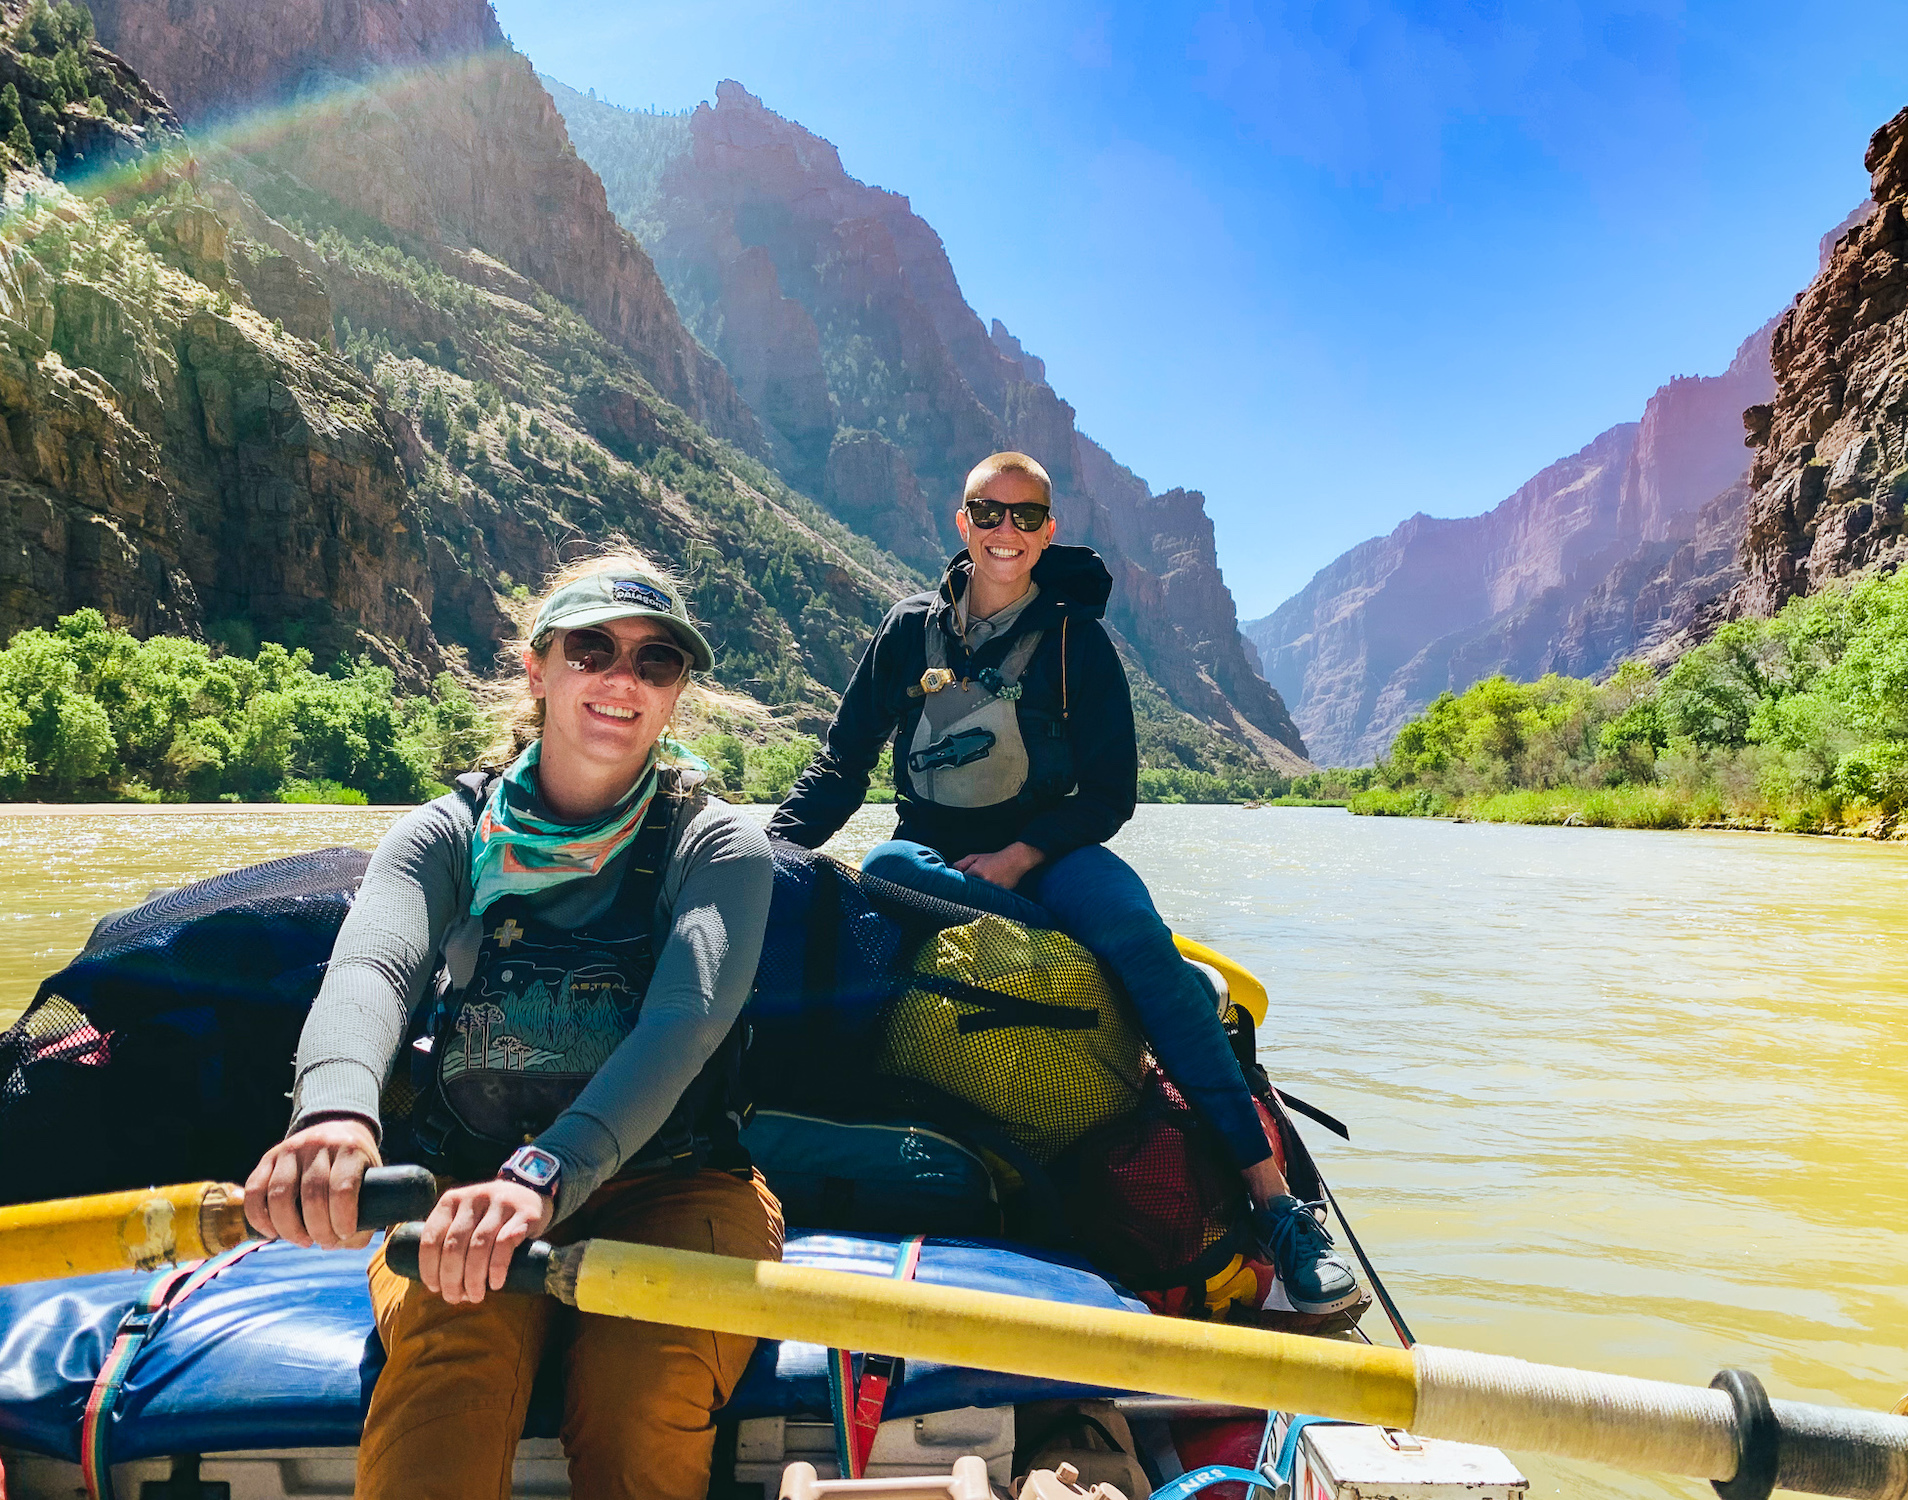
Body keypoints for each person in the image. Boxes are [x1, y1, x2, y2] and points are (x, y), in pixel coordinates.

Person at [768, 451, 1360, 1315]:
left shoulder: (1080, 643)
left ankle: (1276, 1205)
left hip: (1055, 858)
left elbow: (1112, 793)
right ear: (961, 521)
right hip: (933, 863)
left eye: (1026, 516)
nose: (1007, 532)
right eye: (989, 513)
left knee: (1138, 940)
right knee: (888, 869)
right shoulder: (905, 632)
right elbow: (841, 765)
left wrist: (1020, 858)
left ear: (1049, 531)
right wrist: (768, 849)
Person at [244, 551, 781, 1500]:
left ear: (676, 693)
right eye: (593, 649)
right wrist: (332, 1113)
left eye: (657, 661)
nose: (624, 678)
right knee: (443, 1396)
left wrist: (548, 1174)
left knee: (639, 1407)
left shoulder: (717, 843)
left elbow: (686, 1023)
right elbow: (373, 967)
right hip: (466, 1184)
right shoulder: (443, 835)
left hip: (673, 1184)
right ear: (538, 669)